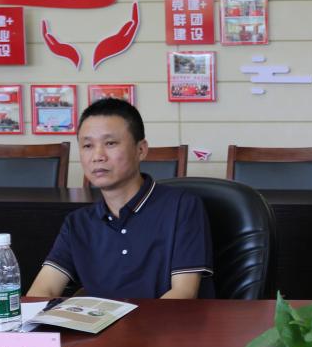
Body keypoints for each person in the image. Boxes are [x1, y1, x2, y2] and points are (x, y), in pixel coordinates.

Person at [27, 98, 213, 299]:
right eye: (87, 145)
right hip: (98, 320)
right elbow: (43, 290)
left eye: (110, 143)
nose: (97, 156)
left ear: (141, 150)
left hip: (167, 320)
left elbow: (183, 293)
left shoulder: (182, 207)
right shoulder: (78, 223)